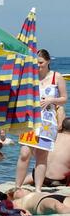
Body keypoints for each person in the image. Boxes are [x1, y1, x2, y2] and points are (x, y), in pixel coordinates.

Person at [15, 49, 67, 192]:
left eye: (41, 63)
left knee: (42, 156)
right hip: (30, 121)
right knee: (24, 153)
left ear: (48, 61)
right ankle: (17, 187)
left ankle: (38, 188)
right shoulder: (31, 77)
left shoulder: (57, 77)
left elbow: (64, 99)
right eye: (35, 63)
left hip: (48, 123)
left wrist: (51, 100)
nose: (38, 66)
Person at [22, 117, 70, 187]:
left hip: (38, 177)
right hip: (58, 181)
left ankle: (22, 182)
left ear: (62, 126)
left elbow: (35, 154)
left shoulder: (51, 136)